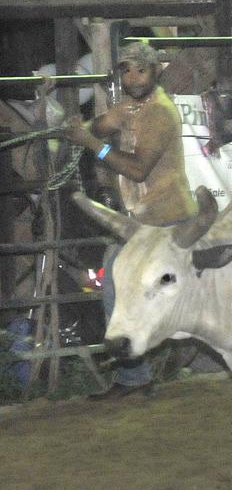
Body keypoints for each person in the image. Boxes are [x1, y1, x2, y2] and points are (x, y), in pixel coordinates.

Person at [62, 41, 198, 400]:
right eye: (127, 70)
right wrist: (82, 128)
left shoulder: (160, 113)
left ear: (155, 72)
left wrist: (91, 143)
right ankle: (136, 373)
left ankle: (136, 373)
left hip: (166, 220)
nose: (134, 77)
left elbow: (138, 170)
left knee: (120, 284)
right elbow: (101, 125)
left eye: (141, 70)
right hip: (148, 221)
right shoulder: (133, 108)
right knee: (124, 285)